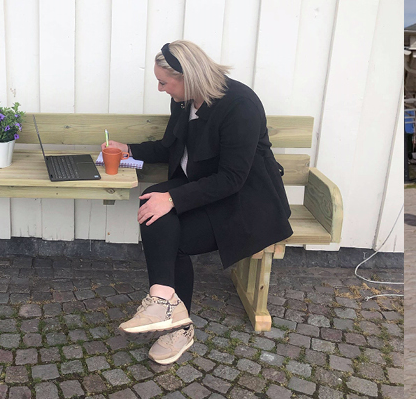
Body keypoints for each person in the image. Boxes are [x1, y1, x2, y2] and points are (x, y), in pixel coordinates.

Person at [101, 40, 293, 365]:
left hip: (245, 202)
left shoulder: (240, 104)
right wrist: (130, 150)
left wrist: (173, 197)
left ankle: (171, 319)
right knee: (153, 205)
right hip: (202, 188)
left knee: (171, 231)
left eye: (164, 82)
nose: (160, 88)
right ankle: (168, 307)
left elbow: (233, 178)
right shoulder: (185, 100)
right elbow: (169, 146)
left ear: (187, 75)